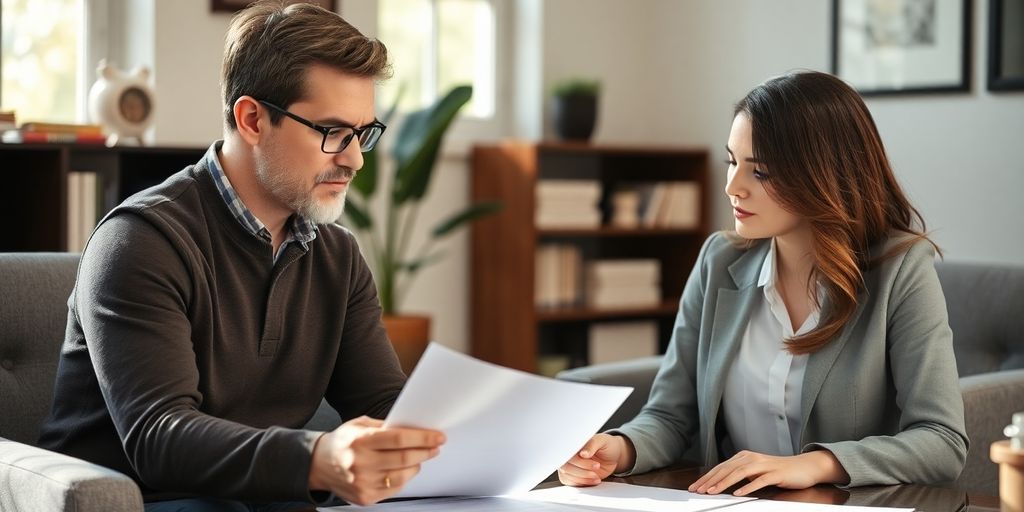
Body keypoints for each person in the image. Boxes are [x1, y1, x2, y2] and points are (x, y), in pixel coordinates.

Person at [37, 2, 444, 509]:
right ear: (252, 118)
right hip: (147, 500)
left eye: (363, 134)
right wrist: (316, 457)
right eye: (333, 132)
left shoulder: (338, 255)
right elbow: (159, 437)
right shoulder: (140, 241)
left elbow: (386, 408)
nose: (355, 158)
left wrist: (538, 453)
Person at [558, 70, 968, 495]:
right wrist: (617, 448)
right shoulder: (719, 260)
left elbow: (942, 440)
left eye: (761, 172)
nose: (732, 187)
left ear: (823, 173)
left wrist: (817, 464)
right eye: (732, 162)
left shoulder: (900, 270)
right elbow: (669, 415)